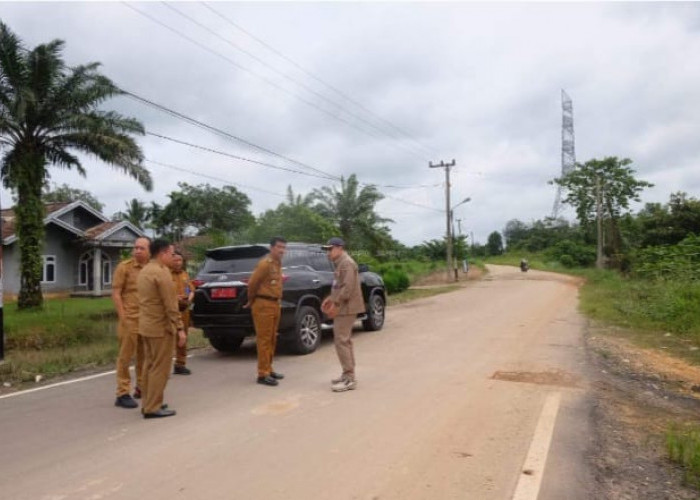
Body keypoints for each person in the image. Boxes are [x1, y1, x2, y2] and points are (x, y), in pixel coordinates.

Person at [137, 239, 186, 419]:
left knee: (149, 366)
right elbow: (170, 305)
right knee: (160, 368)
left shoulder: (144, 270)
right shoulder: (162, 272)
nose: (173, 258)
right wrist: (180, 328)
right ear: (163, 253)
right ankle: (153, 407)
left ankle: (148, 402)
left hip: (146, 326)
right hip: (160, 328)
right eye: (171, 254)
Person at [321, 237, 365, 392]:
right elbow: (338, 286)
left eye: (330, 249)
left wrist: (335, 304)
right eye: (327, 249)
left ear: (339, 248)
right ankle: (347, 374)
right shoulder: (340, 263)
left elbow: (347, 289)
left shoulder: (346, 263)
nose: (328, 252)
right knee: (344, 341)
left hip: (346, 307)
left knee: (341, 341)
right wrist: (330, 298)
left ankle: (349, 379)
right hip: (344, 306)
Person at [112, 236, 150, 409]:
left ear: (149, 250)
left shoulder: (152, 268)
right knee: (125, 357)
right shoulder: (124, 267)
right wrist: (123, 317)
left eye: (142, 248)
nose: (137, 250)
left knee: (144, 355)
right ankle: (122, 393)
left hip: (147, 319)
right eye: (136, 247)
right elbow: (116, 293)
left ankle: (141, 387)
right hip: (130, 319)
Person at [244, 236, 287, 387]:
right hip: (263, 304)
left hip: (274, 304)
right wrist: (251, 300)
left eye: (283, 247)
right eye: (279, 247)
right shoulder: (265, 264)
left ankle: (269, 368)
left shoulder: (277, 263)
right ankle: (262, 373)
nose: (282, 250)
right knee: (264, 339)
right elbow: (252, 284)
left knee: (272, 338)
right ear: (272, 248)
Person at [170, 250, 194, 375]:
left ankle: (180, 363)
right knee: (169, 339)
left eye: (180, 260)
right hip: (171, 311)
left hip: (184, 310)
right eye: (175, 260)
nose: (178, 263)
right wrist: (175, 298)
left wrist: (189, 298)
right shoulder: (167, 274)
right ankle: (163, 366)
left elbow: (191, 289)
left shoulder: (185, 274)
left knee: (183, 338)